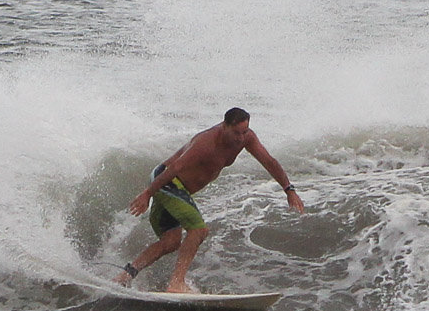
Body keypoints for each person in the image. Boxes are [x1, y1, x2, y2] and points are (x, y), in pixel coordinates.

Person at [113, 107, 305, 292]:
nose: (240, 138)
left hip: (176, 189)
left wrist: (289, 189)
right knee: (198, 230)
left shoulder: (247, 138)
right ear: (224, 126)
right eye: (236, 133)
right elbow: (175, 168)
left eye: (244, 132)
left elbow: (269, 161)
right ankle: (176, 283)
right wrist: (147, 194)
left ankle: (125, 276)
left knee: (170, 242)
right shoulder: (206, 142)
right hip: (167, 181)